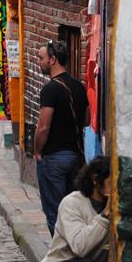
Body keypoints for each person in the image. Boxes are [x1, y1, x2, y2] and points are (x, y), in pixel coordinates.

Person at [34, 40, 90, 236]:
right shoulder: (79, 87)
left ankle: (61, 258)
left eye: (41, 58)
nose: (39, 62)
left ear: (53, 59)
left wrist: (38, 151)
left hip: (54, 159)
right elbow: (86, 120)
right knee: (73, 212)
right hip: (75, 157)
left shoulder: (50, 89)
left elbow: (43, 126)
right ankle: (74, 253)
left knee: (55, 212)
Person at [36, 156, 110, 262]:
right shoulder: (71, 203)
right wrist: (105, 217)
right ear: (95, 179)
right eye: (112, 181)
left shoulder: (115, 208)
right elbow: (80, 247)